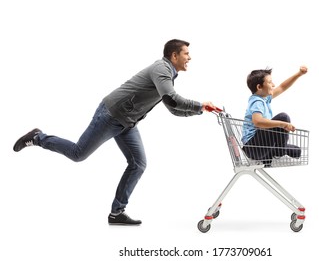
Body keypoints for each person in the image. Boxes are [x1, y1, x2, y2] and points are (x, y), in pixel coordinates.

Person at [13, 39, 215, 225]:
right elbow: (172, 100)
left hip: (127, 121)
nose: (189, 57)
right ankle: (38, 137)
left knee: (138, 164)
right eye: (186, 53)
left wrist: (199, 111)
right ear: (174, 55)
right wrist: (199, 105)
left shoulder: (168, 73)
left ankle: (116, 213)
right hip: (111, 114)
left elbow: (172, 109)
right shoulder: (162, 69)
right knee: (78, 153)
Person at [242, 66, 308, 166]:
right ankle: (279, 154)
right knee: (283, 117)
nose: (273, 85)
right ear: (259, 87)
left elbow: (282, 87)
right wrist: (282, 124)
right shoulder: (257, 101)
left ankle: (269, 158)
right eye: (269, 82)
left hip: (260, 146)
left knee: (296, 151)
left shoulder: (264, 98)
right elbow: (257, 121)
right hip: (253, 147)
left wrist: (298, 74)